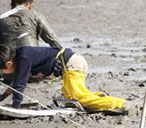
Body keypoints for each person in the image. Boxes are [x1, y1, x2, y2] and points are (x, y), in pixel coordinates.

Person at [0, 44, 128, 113]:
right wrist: (2, 98)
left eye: (2, 71)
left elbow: (19, 85)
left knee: (81, 101)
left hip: (72, 65)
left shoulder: (23, 59)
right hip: (70, 66)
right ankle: (100, 97)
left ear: (9, 64)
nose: (3, 73)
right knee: (71, 101)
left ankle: (120, 104)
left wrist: (15, 107)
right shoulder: (20, 55)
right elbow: (16, 82)